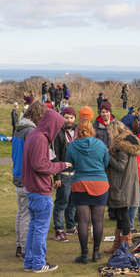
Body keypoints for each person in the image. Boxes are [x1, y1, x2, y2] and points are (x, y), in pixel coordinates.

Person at [22, 108, 71, 273]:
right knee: (40, 229)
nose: (57, 130)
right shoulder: (40, 139)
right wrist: (61, 166)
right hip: (39, 190)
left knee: (34, 227)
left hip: (32, 189)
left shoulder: (33, 135)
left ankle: (30, 261)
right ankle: (38, 263)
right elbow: (40, 165)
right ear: (52, 124)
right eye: (57, 126)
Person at [65, 119, 109, 263]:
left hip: (80, 184)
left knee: (83, 222)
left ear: (78, 130)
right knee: (98, 220)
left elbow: (69, 166)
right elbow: (106, 162)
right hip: (100, 184)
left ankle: (84, 255)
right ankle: (96, 253)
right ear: (92, 130)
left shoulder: (72, 146)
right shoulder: (101, 145)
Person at [11, 101, 47, 259]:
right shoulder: (31, 131)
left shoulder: (18, 129)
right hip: (26, 177)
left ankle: (20, 245)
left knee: (21, 212)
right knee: (28, 215)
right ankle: (25, 248)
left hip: (17, 174)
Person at [105, 121, 140, 252]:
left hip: (122, 185)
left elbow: (121, 166)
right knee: (121, 216)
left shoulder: (121, 146)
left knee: (123, 216)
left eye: (109, 132)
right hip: (127, 183)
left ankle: (126, 246)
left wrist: (108, 156)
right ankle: (119, 245)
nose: (108, 135)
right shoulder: (128, 142)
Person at [51, 107, 78, 243]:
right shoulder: (58, 133)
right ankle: (59, 229)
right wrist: (57, 176)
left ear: (74, 118)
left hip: (76, 173)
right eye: (66, 117)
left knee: (73, 202)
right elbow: (54, 156)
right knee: (62, 202)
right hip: (63, 173)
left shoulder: (78, 132)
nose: (69, 120)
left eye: (71, 117)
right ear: (62, 118)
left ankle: (71, 226)